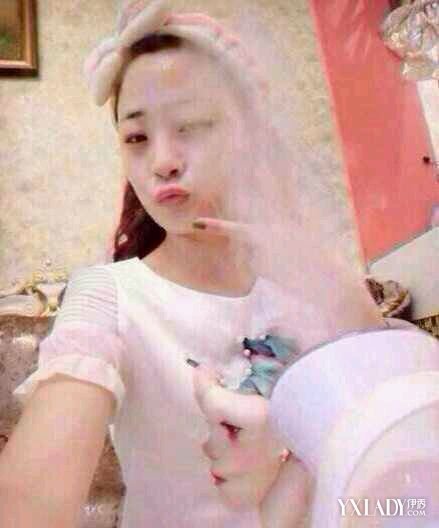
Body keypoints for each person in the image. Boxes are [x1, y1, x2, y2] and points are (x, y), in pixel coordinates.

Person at [0, 1, 424, 527]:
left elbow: (406, 441)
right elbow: (30, 502)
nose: (162, 161)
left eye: (192, 125)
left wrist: (320, 271)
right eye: (136, 137)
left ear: (247, 136)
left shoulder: (309, 287)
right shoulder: (109, 296)